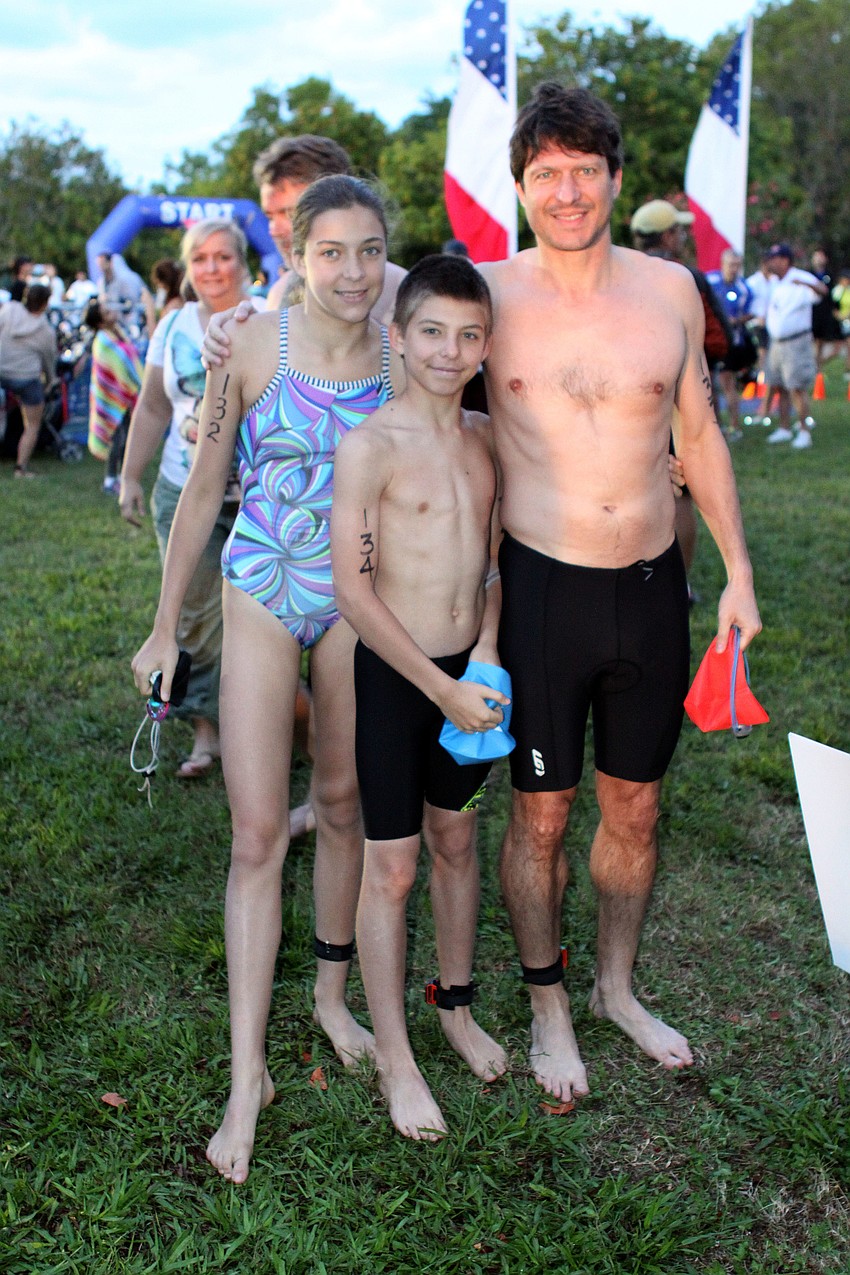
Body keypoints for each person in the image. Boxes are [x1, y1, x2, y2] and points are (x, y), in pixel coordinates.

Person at [475, 82, 760, 1103]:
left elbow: (699, 438)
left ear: (614, 178)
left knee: (634, 805)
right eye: (545, 172)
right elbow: (414, 411)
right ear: (519, 186)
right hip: (541, 587)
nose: (566, 191)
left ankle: (613, 987)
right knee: (539, 819)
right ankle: (547, 1002)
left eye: (583, 170)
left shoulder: (670, 290)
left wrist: (735, 574)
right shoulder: (488, 296)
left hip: (652, 585)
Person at [131, 176, 404, 1183]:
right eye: (331, 252)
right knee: (255, 836)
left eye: (370, 251)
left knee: (339, 807)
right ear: (294, 254)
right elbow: (204, 487)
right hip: (257, 588)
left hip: (360, 603)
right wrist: (166, 627)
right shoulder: (253, 345)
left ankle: (332, 1004)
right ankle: (247, 1075)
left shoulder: (399, 350)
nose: (352, 271)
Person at [331, 255, 509, 1140]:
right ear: (398, 337)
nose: (450, 350)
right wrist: (439, 686)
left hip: (464, 679)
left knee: (457, 840)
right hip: (400, 680)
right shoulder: (369, 446)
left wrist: (479, 656)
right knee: (393, 866)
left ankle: (454, 1004)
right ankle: (396, 1057)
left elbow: (490, 564)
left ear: (486, 344)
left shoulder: (484, 439)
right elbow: (355, 597)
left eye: (469, 334)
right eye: (432, 332)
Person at [120, 220, 253, 778]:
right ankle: (207, 732)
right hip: (183, 488)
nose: (212, 268)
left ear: (244, 264)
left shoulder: (269, 316)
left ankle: (274, 722)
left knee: (256, 620)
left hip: (257, 499)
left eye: (224, 257)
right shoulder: (173, 324)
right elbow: (153, 406)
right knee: (196, 617)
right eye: (200, 258)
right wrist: (130, 475)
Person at [253, 134, 406, 321]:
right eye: (270, 216)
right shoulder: (278, 295)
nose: (275, 230)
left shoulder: (403, 295)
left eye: (291, 213)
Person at [762, 243, 827, 451]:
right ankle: (784, 427)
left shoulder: (800, 277)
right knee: (779, 385)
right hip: (777, 342)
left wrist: (806, 284)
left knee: (796, 387)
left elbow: (822, 290)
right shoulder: (774, 281)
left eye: (775, 258)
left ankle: (804, 429)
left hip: (795, 341)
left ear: (785, 260)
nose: (771, 262)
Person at [83, 297, 143, 492]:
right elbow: (120, 363)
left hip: (121, 396)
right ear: (100, 322)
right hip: (109, 397)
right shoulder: (103, 341)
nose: (112, 312)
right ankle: (110, 480)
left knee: (126, 436)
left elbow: (128, 359)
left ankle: (121, 476)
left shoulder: (116, 333)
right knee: (115, 438)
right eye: (106, 312)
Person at [0, 283, 57, 478]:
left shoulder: (9, 310)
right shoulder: (46, 331)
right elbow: (50, 362)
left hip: (1, 371)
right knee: (32, 425)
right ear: (45, 304)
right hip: (26, 378)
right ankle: (20, 468)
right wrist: (51, 381)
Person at [706, 249, 755, 440]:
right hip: (708, 340)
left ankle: (735, 425)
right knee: (709, 384)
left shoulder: (744, 288)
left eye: (737, 265)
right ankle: (716, 426)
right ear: (722, 263)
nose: (733, 269)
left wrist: (736, 321)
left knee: (728, 382)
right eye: (730, 265)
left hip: (731, 342)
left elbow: (753, 312)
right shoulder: (710, 282)